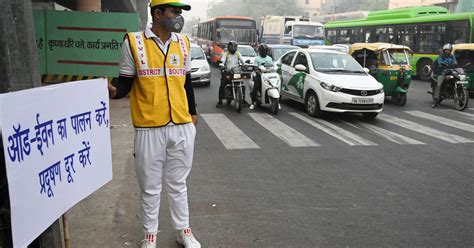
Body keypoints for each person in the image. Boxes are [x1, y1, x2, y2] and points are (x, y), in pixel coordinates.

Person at [107, 1, 200, 247]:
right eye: (174, 12)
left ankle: (184, 231)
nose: (178, 17)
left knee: (178, 183)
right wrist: (114, 91)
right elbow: (125, 83)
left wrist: (193, 114)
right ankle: (150, 235)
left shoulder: (184, 43)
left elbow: (186, 82)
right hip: (149, 126)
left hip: (181, 124)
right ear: (157, 14)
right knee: (150, 186)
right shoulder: (134, 43)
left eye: (180, 13)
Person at [216, 41, 249, 108]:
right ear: (229, 47)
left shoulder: (238, 54)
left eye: (234, 47)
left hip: (237, 71)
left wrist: (245, 64)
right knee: (222, 84)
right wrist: (222, 65)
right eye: (232, 47)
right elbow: (222, 61)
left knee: (242, 84)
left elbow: (242, 60)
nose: (233, 49)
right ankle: (220, 101)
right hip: (228, 71)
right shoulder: (226, 54)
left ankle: (243, 100)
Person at [432, 43, 458, 108]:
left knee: (458, 78)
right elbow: (439, 62)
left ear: (450, 50)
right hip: (442, 72)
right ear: (444, 50)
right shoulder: (441, 56)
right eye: (445, 50)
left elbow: (455, 62)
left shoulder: (452, 56)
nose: (447, 51)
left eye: (448, 50)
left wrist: (455, 64)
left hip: (450, 72)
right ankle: (436, 99)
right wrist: (442, 64)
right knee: (439, 84)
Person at [249, 43, 273, 110]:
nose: (264, 52)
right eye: (263, 51)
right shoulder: (257, 59)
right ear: (260, 51)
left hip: (268, 76)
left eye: (266, 51)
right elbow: (256, 68)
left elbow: (272, 67)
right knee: (256, 87)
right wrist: (260, 74)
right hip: (259, 75)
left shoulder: (269, 58)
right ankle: (253, 102)